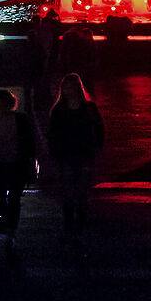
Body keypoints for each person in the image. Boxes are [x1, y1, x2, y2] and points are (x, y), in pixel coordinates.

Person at [45, 74, 106, 244]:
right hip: (67, 155)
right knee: (69, 192)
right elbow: (53, 134)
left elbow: (100, 128)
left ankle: (76, 227)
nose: (68, 90)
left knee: (79, 192)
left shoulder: (66, 109)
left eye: (71, 86)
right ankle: (72, 226)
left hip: (81, 154)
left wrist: (97, 147)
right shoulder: (74, 109)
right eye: (66, 87)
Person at [0, 89, 38, 249]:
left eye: (3, 105)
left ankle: (11, 227)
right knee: (0, 198)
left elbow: (29, 142)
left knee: (14, 198)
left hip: (16, 164)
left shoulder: (19, 120)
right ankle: (10, 223)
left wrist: (30, 161)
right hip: (0, 164)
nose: (1, 108)